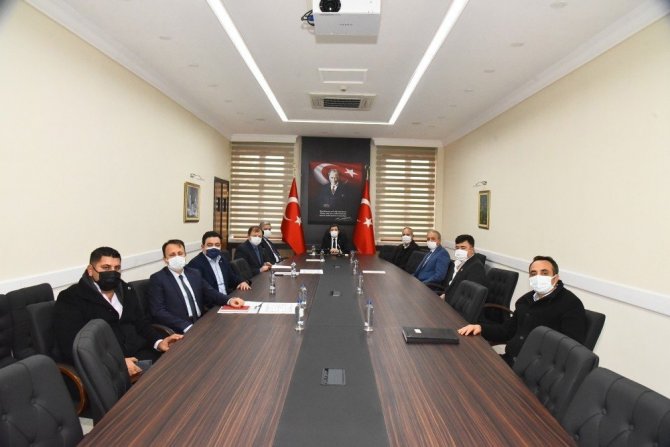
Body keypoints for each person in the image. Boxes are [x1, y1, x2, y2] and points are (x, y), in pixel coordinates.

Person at [54, 247, 183, 377]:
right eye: (106, 268)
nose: (112, 272)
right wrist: (118, 362)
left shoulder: (126, 290)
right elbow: (74, 346)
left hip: (141, 355)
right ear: (90, 270)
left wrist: (159, 342)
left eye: (116, 268)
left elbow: (141, 323)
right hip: (106, 367)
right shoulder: (71, 297)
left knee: (180, 367)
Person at [458, 255, 587, 367]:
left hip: (536, 371)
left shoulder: (571, 304)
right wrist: (480, 328)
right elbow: (507, 331)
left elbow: (569, 350)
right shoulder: (526, 301)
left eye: (544, 273)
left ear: (556, 278)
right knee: (468, 363)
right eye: (533, 273)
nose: (538, 277)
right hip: (510, 361)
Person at [148, 239, 245, 334]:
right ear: (165, 259)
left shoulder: (194, 273)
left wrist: (229, 300)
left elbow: (210, 292)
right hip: (180, 329)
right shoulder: (158, 279)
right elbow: (158, 311)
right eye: (172, 255)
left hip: (201, 322)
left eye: (180, 253)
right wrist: (185, 326)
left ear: (185, 255)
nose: (177, 257)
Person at [187, 231, 251, 294]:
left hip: (227, 296)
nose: (214, 247)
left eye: (217, 245)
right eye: (210, 245)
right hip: (212, 300)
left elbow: (231, 277)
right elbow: (201, 291)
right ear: (203, 247)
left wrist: (241, 282)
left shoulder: (222, 259)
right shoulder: (195, 264)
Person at [440, 234, 486, 303]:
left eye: (463, 248)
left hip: (457, 304)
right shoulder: (457, 262)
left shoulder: (476, 267)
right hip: (446, 299)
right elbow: (450, 284)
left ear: (472, 249)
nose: (459, 250)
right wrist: (444, 294)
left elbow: (469, 295)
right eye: (457, 248)